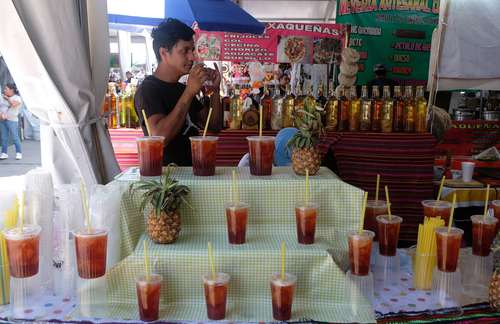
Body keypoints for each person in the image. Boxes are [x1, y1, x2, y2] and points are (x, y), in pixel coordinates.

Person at [134, 18, 222, 166]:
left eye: (192, 50)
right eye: (185, 51)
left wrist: (215, 91)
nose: (192, 57)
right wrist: (189, 92)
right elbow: (159, 137)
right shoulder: (148, 90)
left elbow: (213, 126)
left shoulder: (181, 89)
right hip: (168, 180)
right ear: (164, 53)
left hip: (194, 173)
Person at [0, 83, 23, 160]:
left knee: (15, 137)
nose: (4, 90)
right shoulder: (2, 97)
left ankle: (18, 153)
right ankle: (4, 153)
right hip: (2, 120)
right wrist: (1, 115)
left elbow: (13, 105)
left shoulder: (17, 98)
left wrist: (8, 99)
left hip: (12, 120)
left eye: (6, 89)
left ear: (11, 90)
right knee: (4, 137)